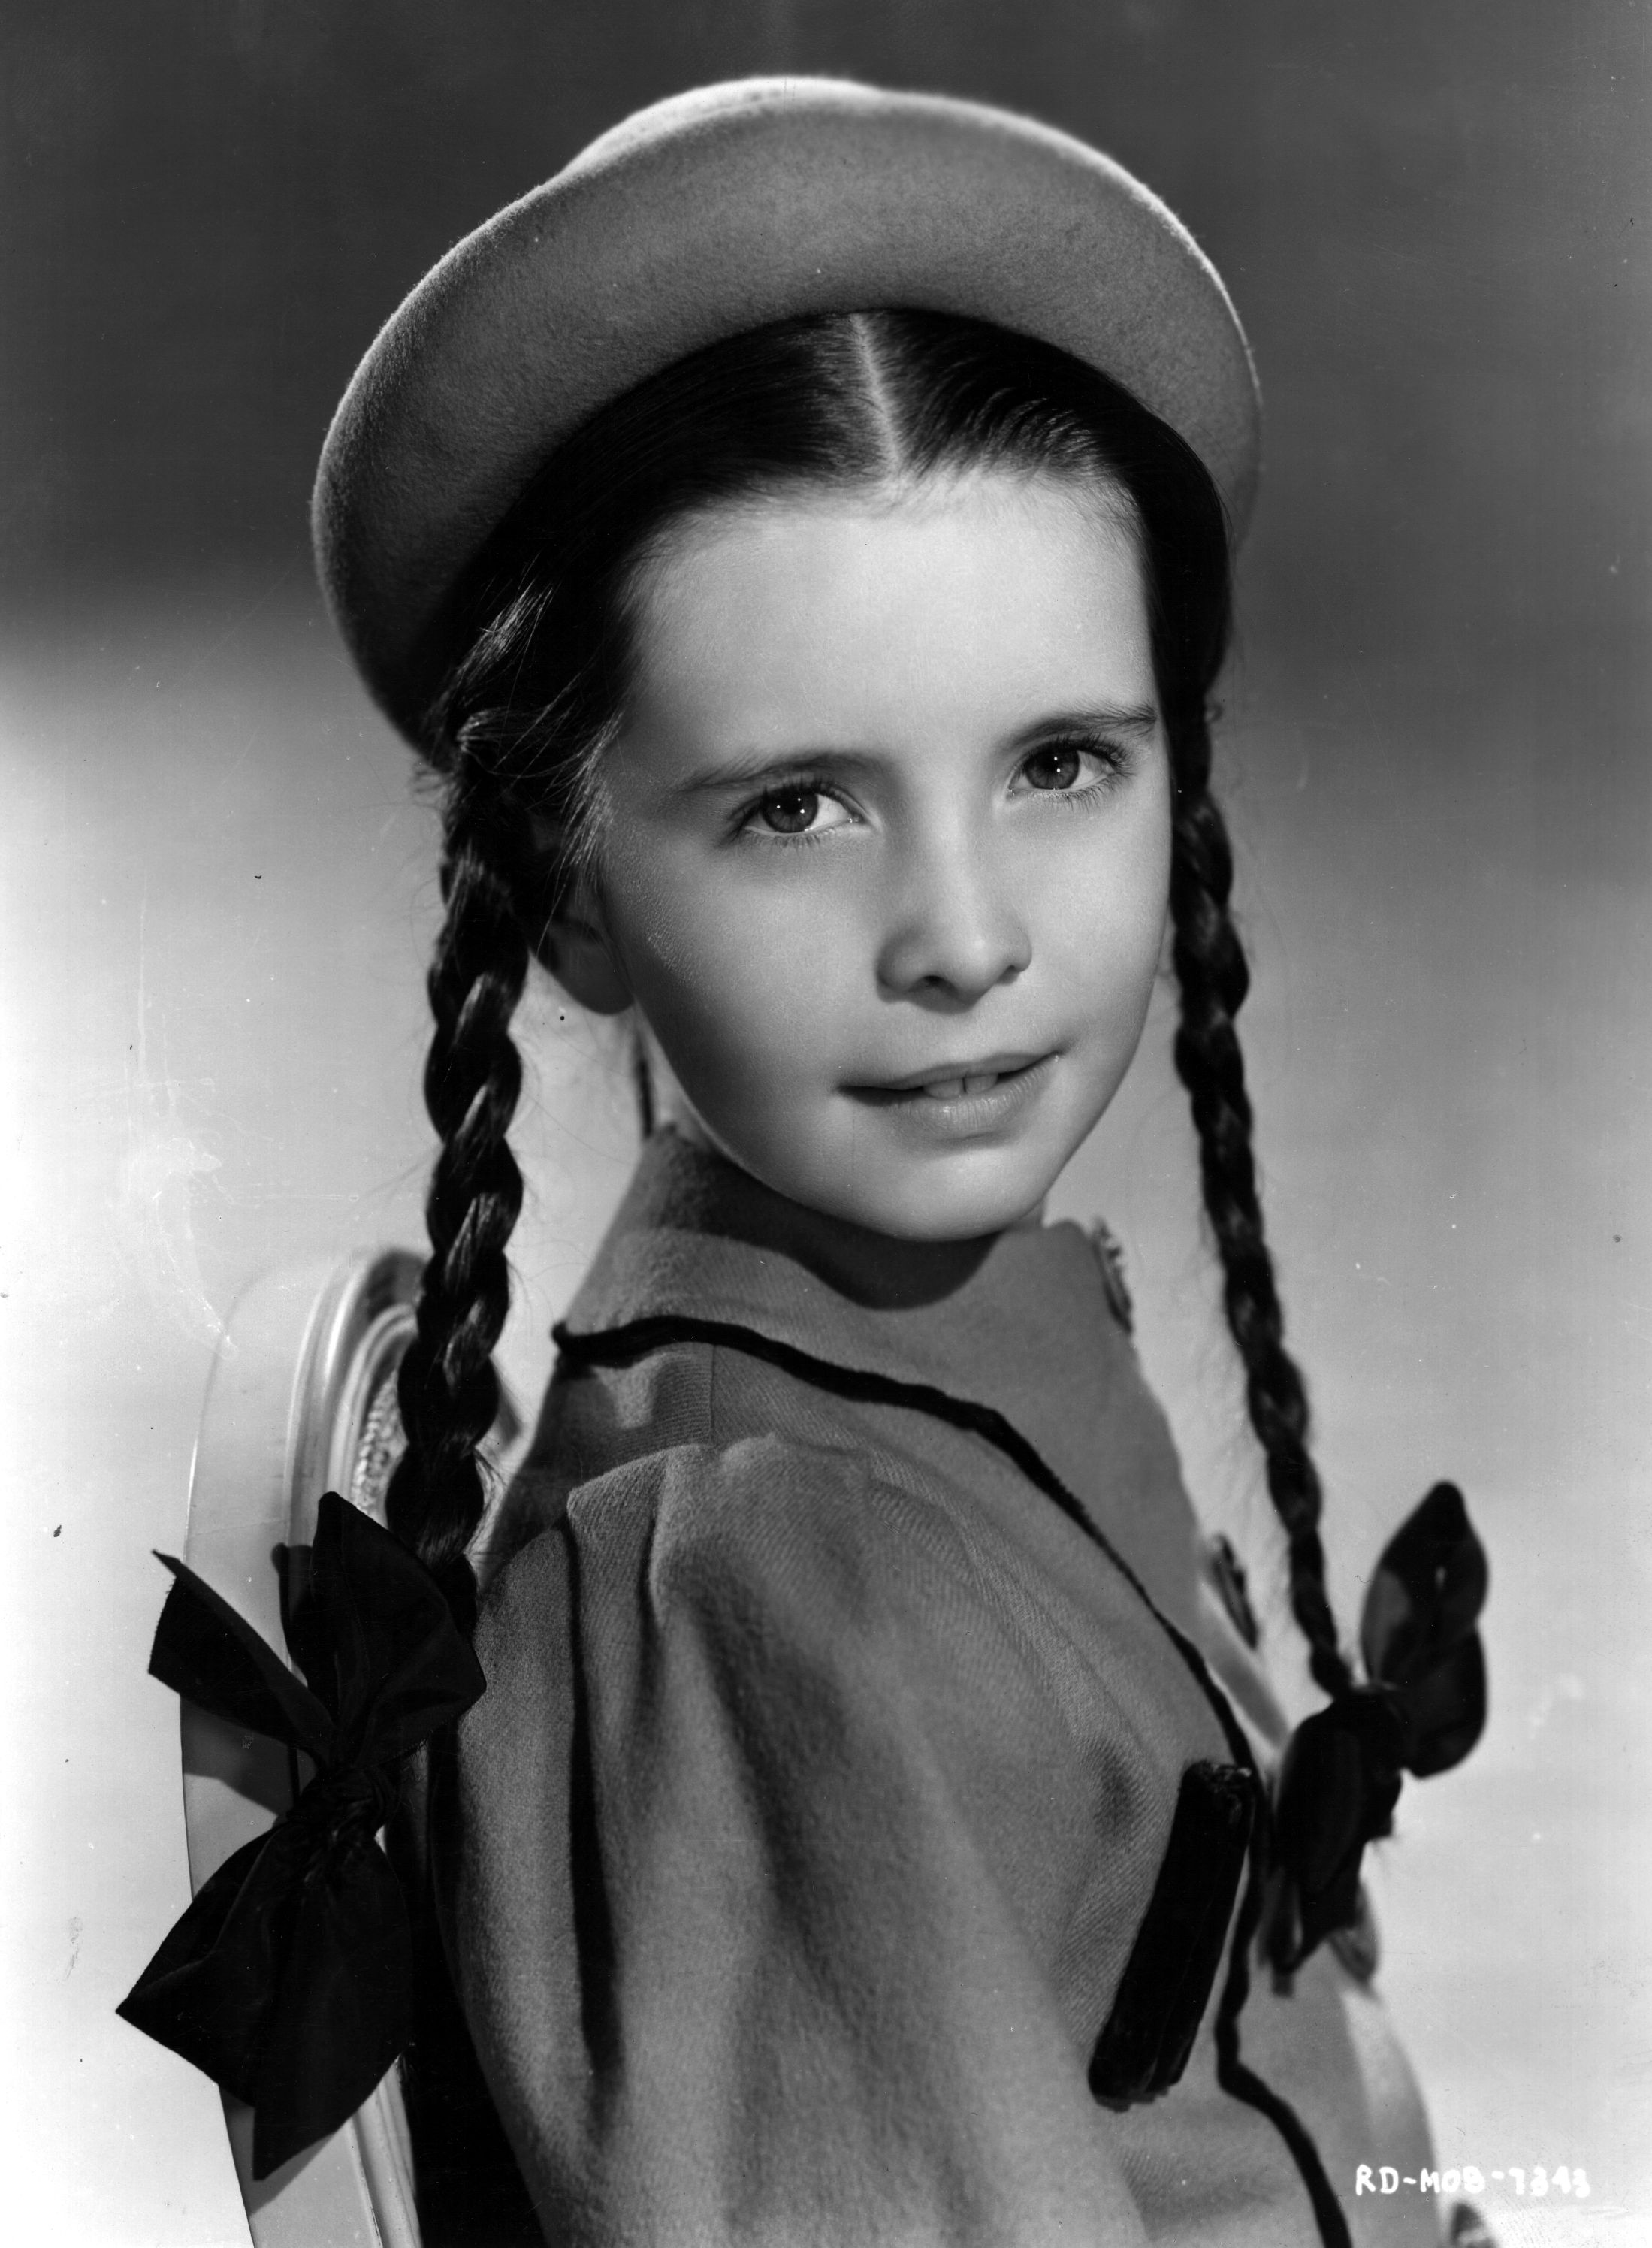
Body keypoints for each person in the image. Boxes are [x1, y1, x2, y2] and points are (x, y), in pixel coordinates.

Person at [126, 76, 1493, 2248]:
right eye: (797, 807)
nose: (964, 937)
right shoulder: (760, 1592)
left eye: (1059, 762)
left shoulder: (969, 1334)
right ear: (569, 891)